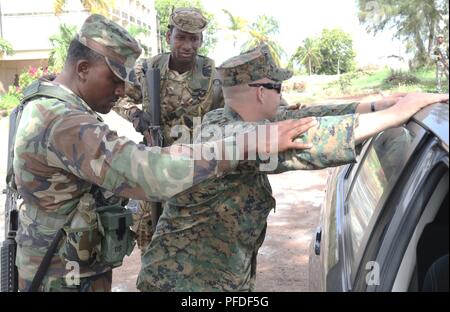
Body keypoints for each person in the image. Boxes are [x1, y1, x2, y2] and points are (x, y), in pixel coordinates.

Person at [10, 16, 315, 292]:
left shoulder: (49, 101)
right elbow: (146, 172)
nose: (120, 91)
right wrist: (247, 144)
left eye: (124, 83)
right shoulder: (64, 121)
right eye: (115, 81)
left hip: (70, 258)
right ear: (82, 69)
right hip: (61, 272)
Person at [136, 44, 449, 292]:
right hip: (184, 284)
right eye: (278, 88)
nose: (282, 96)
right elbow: (312, 138)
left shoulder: (229, 119)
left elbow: (308, 115)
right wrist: (396, 115)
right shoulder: (238, 138)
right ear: (261, 91)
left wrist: (378, 105)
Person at [113, 7, 224, 252]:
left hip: (195, 173)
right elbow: (116, 95)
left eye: (194, 39)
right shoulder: (148, 70)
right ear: (168, 37)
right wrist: (135, 115)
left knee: (195, 242)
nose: (187, 45)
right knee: (149, 234)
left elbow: (232, 113)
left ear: (201, 40)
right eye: (181, 37)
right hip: (154, 165)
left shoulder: (212, 76)